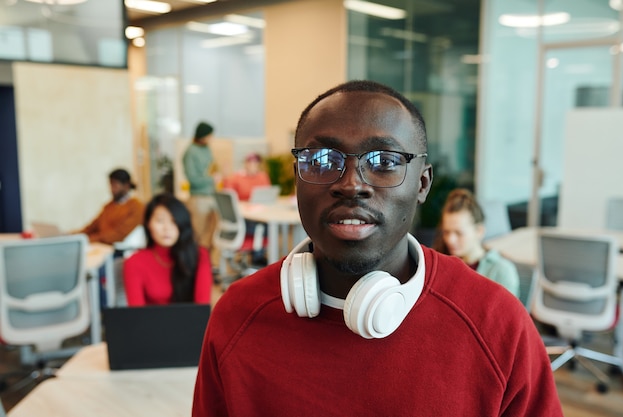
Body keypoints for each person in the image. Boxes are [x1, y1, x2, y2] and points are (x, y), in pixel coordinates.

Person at [192, 80, 562, 416]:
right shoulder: (237, 317)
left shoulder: (497, 323)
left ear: (422, 184)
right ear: (297, 180)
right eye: (323, 160)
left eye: (384, 161)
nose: (351, 184)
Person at [123, 193, 212, 306]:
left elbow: (201, 310)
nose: (167, 228)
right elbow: (137, 315)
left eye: (174, 221)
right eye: (160, 221)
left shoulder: (200, 255)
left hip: (191, 323)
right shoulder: (134, 262)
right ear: (148, 224)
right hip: (150, 323)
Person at [433, 188, 521, 297]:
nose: (450, 240)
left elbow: (507, 314)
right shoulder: (441, 265)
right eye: (446, 232)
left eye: (459, 233)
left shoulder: (501, 271)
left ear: (479, 231)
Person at [77, 168, 144, 245]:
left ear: (126, 185)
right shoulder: (108, 206)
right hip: (99, 246)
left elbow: (119, 235)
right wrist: (72, 236)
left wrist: (90, 239)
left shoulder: (136, 207)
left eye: (115, 185)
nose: (111, 189)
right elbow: (91, 228)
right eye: (110, 185)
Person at [183, 121, 218, 249]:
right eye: (210, 135)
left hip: (212, 196)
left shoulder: (207, 148)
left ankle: (207, 264)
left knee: (211, 234)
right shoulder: (190, 152)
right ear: (203, 135)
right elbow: (193, 179)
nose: (211, 138)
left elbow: (211, 168)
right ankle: (195, 264)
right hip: (198, 198)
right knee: (197, 234)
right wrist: (211, 179)